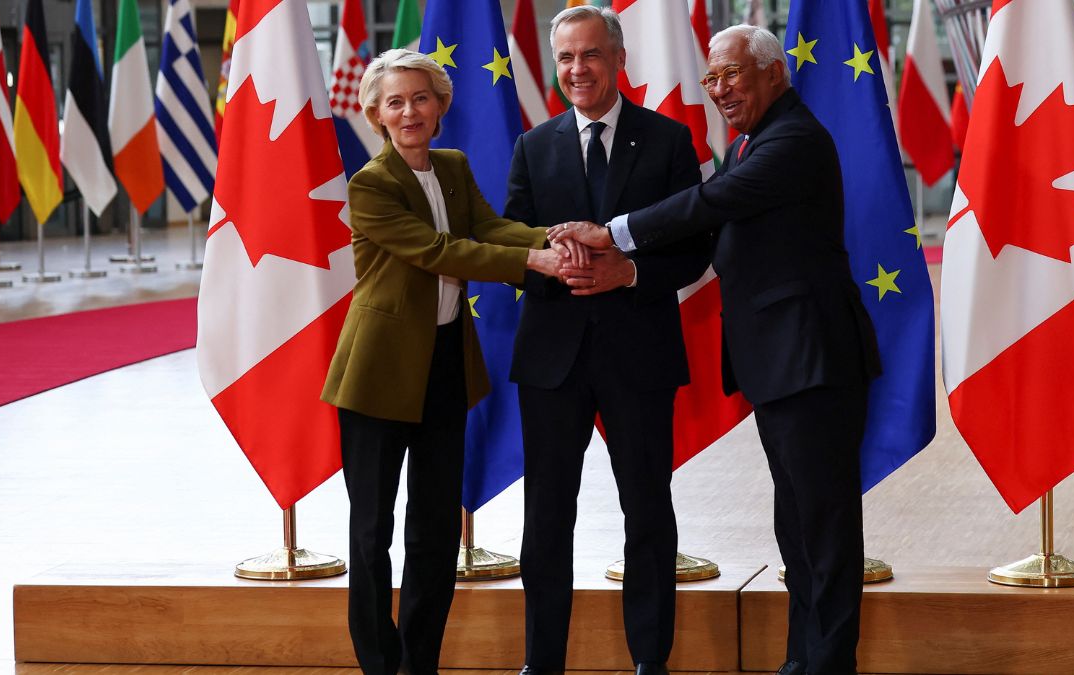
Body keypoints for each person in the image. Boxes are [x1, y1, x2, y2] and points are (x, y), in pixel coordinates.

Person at [550, 25, 882, 675]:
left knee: (826, 530)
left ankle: (829, 663)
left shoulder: (793, 140)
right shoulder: (754, 138)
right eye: (711, 79)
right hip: (783, 364)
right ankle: (802, 660)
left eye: (732, 74)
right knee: (798, 528)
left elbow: (712, 202)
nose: (720, 89)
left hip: (812, 361)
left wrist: (614, 231)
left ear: (773, 74)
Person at [320, 49, 568, 675]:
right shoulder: (370, 183)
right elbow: (436, 251)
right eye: (395, 102)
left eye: (421, 98)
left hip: (444, 370)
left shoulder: (453, 166)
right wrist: (530, 264)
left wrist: (555, 237)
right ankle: (380, 664)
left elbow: (486, 226)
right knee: (372, 534)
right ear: (375, 114)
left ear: (441, 107)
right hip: (376, 378)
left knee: (434, 532)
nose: (409, 111)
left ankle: (418, 663)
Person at [505, 7, 711, 674]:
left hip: (638, 355)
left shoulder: (669, 140)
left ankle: (651, 660)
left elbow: (699, 248)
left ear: (618, 59)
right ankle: (543, 662)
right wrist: (543, 262)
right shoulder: (533, 146)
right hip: (552, 361)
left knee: (648, 512)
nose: (575, 70)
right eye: (565, 57)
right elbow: (512, 240)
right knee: (546, 521)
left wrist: (633, 271)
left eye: (589, 55)